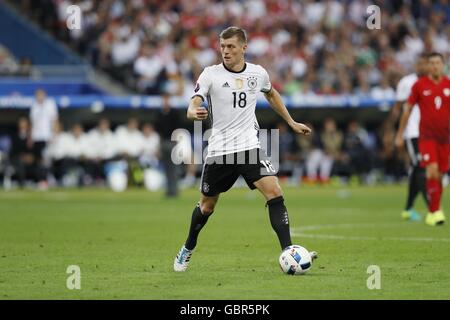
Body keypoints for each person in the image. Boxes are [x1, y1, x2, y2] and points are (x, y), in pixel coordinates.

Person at [173, 26, 317, 272]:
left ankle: (289, 252)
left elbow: (271, 94)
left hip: (250, 146)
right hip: (220, 151)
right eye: (222, 47)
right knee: (207, 206)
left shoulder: (258, 73)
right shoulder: (210, 74)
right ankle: (188, 247)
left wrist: (291, 122)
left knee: (274, 191)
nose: (225, 51)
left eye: (230, 47)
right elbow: (194, 101)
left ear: (243, 48)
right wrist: (191, 112)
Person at [395, 52, 450, 226]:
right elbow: (406, 109)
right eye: (431, 63)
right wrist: (399, 134)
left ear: (442, 65)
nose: (434, 66)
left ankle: (430, 209)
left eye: (437, 63)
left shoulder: (448, 84)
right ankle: (434, 211)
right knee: (429, 170)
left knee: (439, 174)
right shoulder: (418, 85)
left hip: (445, 137)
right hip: (424, 136)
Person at [391, 54, 430, 221]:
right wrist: (396, 133)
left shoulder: (437, 82)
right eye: (420, 63)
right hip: (413, 132)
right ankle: (433, 208)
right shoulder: (407, 82)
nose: (422, 67)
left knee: (416, 169)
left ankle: (408, 208)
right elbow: (398, 109)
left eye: (425, 64)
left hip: (431, 133)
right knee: (420, 167)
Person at [29, 89, 58, 189]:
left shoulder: (50, 104)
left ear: (44, 95)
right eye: (37, 95)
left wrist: (53, 134)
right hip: (36, 137)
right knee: (38, 160)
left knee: (46, 160)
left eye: (41, 95)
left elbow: (54, 120)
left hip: (47, 136)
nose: (39, 97)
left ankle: (46, 179)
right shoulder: (34, 106)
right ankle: (41, 179)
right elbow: (33, 123)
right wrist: (31, 137)